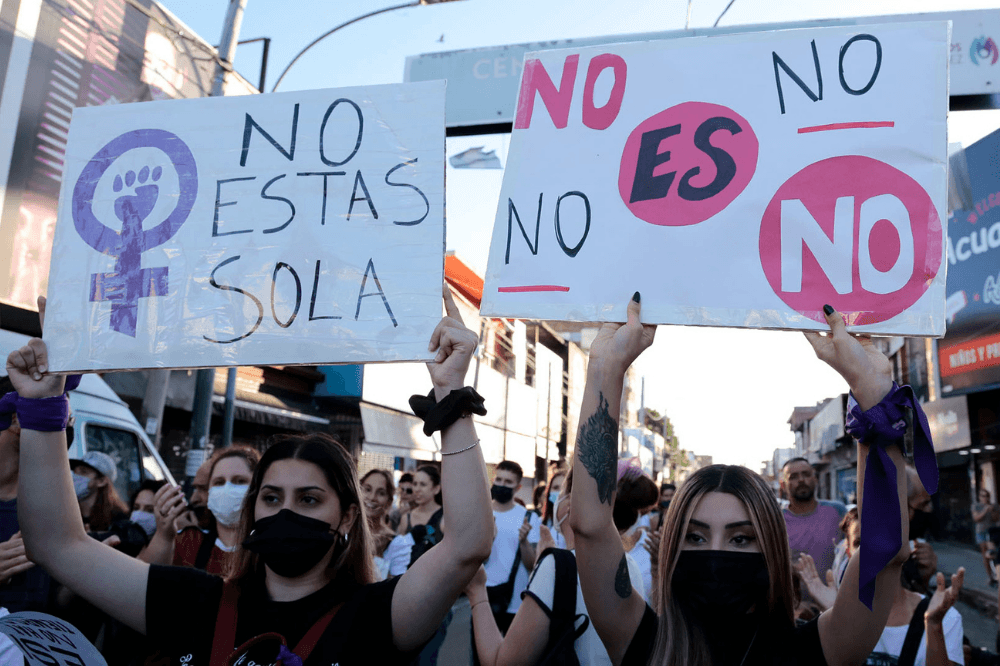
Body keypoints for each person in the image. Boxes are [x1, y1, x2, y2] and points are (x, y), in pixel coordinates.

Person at [8, 292, 493, 665]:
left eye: (308, 500)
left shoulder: (374, 615)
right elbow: (58, 545)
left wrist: (450, 394)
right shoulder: (192, 601)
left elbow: (466, 544)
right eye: (271, 497)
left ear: (347, 515)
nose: (285, 512)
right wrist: (43, 408)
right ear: (252, 509)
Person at [570, 296, 914, 666]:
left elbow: (886, 549)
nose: (716, 553)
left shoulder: (818, 650)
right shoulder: (642, 641)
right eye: (695, 537)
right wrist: (604, 369)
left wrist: (871, 390)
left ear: (770, 546)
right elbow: (590, 526)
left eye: (740, 538)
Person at [466, 468, 642, 665]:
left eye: (563, 492)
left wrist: (477, 590)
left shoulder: (557, 565)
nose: (556, 498)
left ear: (570, 506)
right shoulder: (628, 563)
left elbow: (501, 662)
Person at [804, 511, 966, 666]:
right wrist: (834, 617)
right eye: (860, 543)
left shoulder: (946, 619)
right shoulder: (834, 618)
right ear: (849, 553)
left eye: (880, 540)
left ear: (902, 549)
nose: (870, 552)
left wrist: (933, 625)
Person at [168, 445, 259, 575]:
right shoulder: (188, 543)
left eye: (239, 481)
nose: (227, 489)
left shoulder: (270, 551)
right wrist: (164, 534)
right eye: (219, 482)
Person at [484, 460, 541, 633]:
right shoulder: (482, 513)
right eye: (499, 480)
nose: (502, 485)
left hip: (515, 603)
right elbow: (476, 559)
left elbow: (532, 565)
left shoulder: (529, 518)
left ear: (518, 487)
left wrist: (523, 541)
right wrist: (488, 540)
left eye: (508, 482)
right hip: (483, 601)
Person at [781, 456, 847, 579]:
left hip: (837, 597)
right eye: (793, 477)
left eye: (806, 474)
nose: (801, 480)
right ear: (783, 485)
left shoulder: (838, 511)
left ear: (815, 479)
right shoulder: (777, 520)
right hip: (796, 598)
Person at [70, 450, 129, 532]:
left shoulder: (117, 518)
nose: (75, 476)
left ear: (101, 481)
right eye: (75, 471)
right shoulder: (65, 512)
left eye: (84, 472)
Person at [360, 468, 398, 580]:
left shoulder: (394, 543)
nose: (372, 497)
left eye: (381, 493)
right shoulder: (344, 531)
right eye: (367, 489)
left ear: (389, 502)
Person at [973, 489, 998, 586]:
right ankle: (990, 577)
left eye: (986, 496)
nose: (985, 498)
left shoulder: (994, 505)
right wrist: (985, 510)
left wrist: (992, 511)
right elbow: (976, 518)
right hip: (981, 532)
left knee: (994, 554)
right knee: (985, 556)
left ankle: (997, 574)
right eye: (983, 496)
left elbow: (996, 518)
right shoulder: (976, 505)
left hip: (992, 532)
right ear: (979, 497)